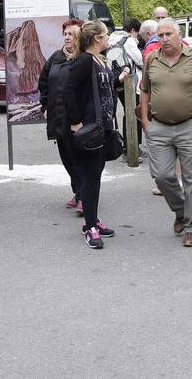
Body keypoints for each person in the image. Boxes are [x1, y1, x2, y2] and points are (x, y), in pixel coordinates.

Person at [139, 19, 192, 247]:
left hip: (189, 125)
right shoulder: (151, 59)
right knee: (162, 176)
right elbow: (144, 90)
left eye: (168, 34)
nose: (163, 39)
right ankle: (181, 210)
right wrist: (145, 121)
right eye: (160, 36)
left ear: (178, 35)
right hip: (159, 127)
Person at [63, 20, 118, 249]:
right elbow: (69, 91)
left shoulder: (100, 59)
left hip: (102, 126)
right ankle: (89, 226)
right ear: (97, 38)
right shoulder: (84, 60)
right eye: (106, 35)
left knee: (95, 175)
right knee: (90, 177)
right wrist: (75, 123)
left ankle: (93, 220)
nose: (108, 38)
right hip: (88, 129)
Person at [39, 18, 83, 214]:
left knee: (80, 157)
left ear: (80, 36)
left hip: (79, 119)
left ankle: (83, 196)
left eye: (71, 34)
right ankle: (78, 192)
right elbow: (44, 83)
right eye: (64, 34)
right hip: (58, 116)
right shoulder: (55, 58)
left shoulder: (85, 58)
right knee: (66, 157)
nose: (67, 37)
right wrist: (45, 105)